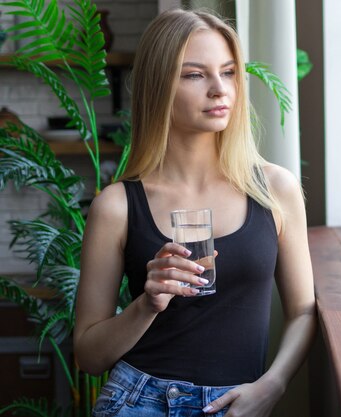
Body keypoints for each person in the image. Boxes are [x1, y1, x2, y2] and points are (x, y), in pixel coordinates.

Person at [73, 8, 316, 417]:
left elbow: (304, 311)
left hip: (239, 403)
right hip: (139, 401)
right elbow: (88, 356)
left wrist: (272, 386)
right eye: (194, 75)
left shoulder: (275, 190)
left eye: (229, 71)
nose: (220, 89)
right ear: (158, 86)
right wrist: (147, 303)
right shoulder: (117, 205)